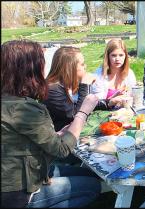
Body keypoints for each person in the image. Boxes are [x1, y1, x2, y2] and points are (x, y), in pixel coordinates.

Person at [1, 40, 101, 208]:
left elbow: (19, 141)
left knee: (90, 174)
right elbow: (62, 150)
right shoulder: (25, 108)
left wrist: (55, 136)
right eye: (41, 63)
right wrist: (83, 112)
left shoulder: (9, 100)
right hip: (18, 193)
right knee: (93, 186)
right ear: (29, 69)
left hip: (24, 173)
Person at [43, 46, 96, 131]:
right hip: (60, 139)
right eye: (82, 64)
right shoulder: (52, 90)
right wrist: (85, 85)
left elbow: (76, 104)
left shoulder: (64, 84)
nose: (85, 66)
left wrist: (109, 103)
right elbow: (76, 118)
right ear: (70, 67)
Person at [90, 38, 136, 108]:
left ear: (125, 56)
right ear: (107, 56)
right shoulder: (98, 75)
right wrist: (113, 98)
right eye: (114, 55)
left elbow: (134, 97)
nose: (117, 59)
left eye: (121, 55)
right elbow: (97, 104)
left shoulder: (129, 74)